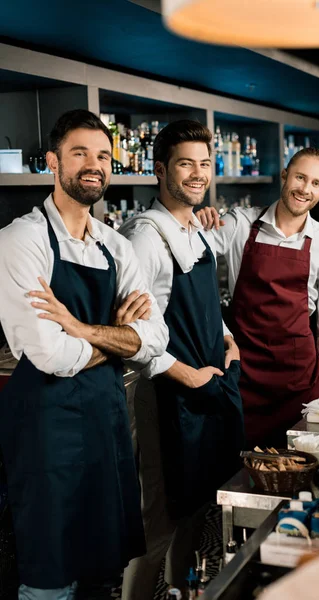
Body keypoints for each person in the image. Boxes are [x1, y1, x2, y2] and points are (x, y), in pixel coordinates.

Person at [0, 109, 169, 600]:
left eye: (103, 156)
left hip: (105, 419)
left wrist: (83, 331)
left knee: (104, 570)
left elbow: (155, 338)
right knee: (49, 572)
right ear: (53, 162)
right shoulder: (21, 240)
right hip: (45, 427)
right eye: (79, 154)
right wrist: (117, 334)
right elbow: (52, 355)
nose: (93, 165)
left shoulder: (115, 245)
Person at [118, 120, 244, 600]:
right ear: (160, 170)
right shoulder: (144, 236)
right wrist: (188, 375)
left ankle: (178, 593)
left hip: (205, 382)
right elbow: (134, 333)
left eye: (205, 164)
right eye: (185, 163)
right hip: (165, 393)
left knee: (195, 507)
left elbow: (207, 303)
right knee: (159, 521)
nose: (197, 174)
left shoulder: (198, 230)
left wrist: (228, 337)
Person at [197, 147, 319, 448]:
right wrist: (195, 221)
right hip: (243, 373)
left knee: (296, 469)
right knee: (238, 467)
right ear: (284, 176)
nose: (305, 189)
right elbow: (190, 250)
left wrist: (317, 386)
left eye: (316, 183)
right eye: (300, 177)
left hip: (296, 380)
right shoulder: (239, 224)